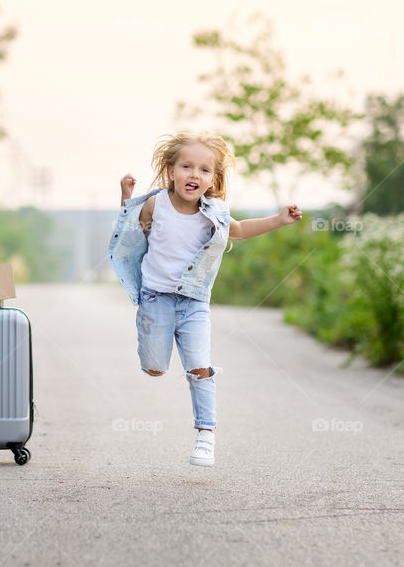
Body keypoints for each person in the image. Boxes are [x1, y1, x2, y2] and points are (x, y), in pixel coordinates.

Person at [107, 132, 303, 467]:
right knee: (155, 368)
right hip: (155, 300)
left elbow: (239, 230)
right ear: (171, 171)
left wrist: (279, 220)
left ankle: (205, 435)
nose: (194, 174)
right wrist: (127, 199)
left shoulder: (214, 211)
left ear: (214, 179)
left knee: (199, 368)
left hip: (194, 302)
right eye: (186, 166)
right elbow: (130, 232)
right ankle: (168, 364)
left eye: (204, 170)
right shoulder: (156, 205)